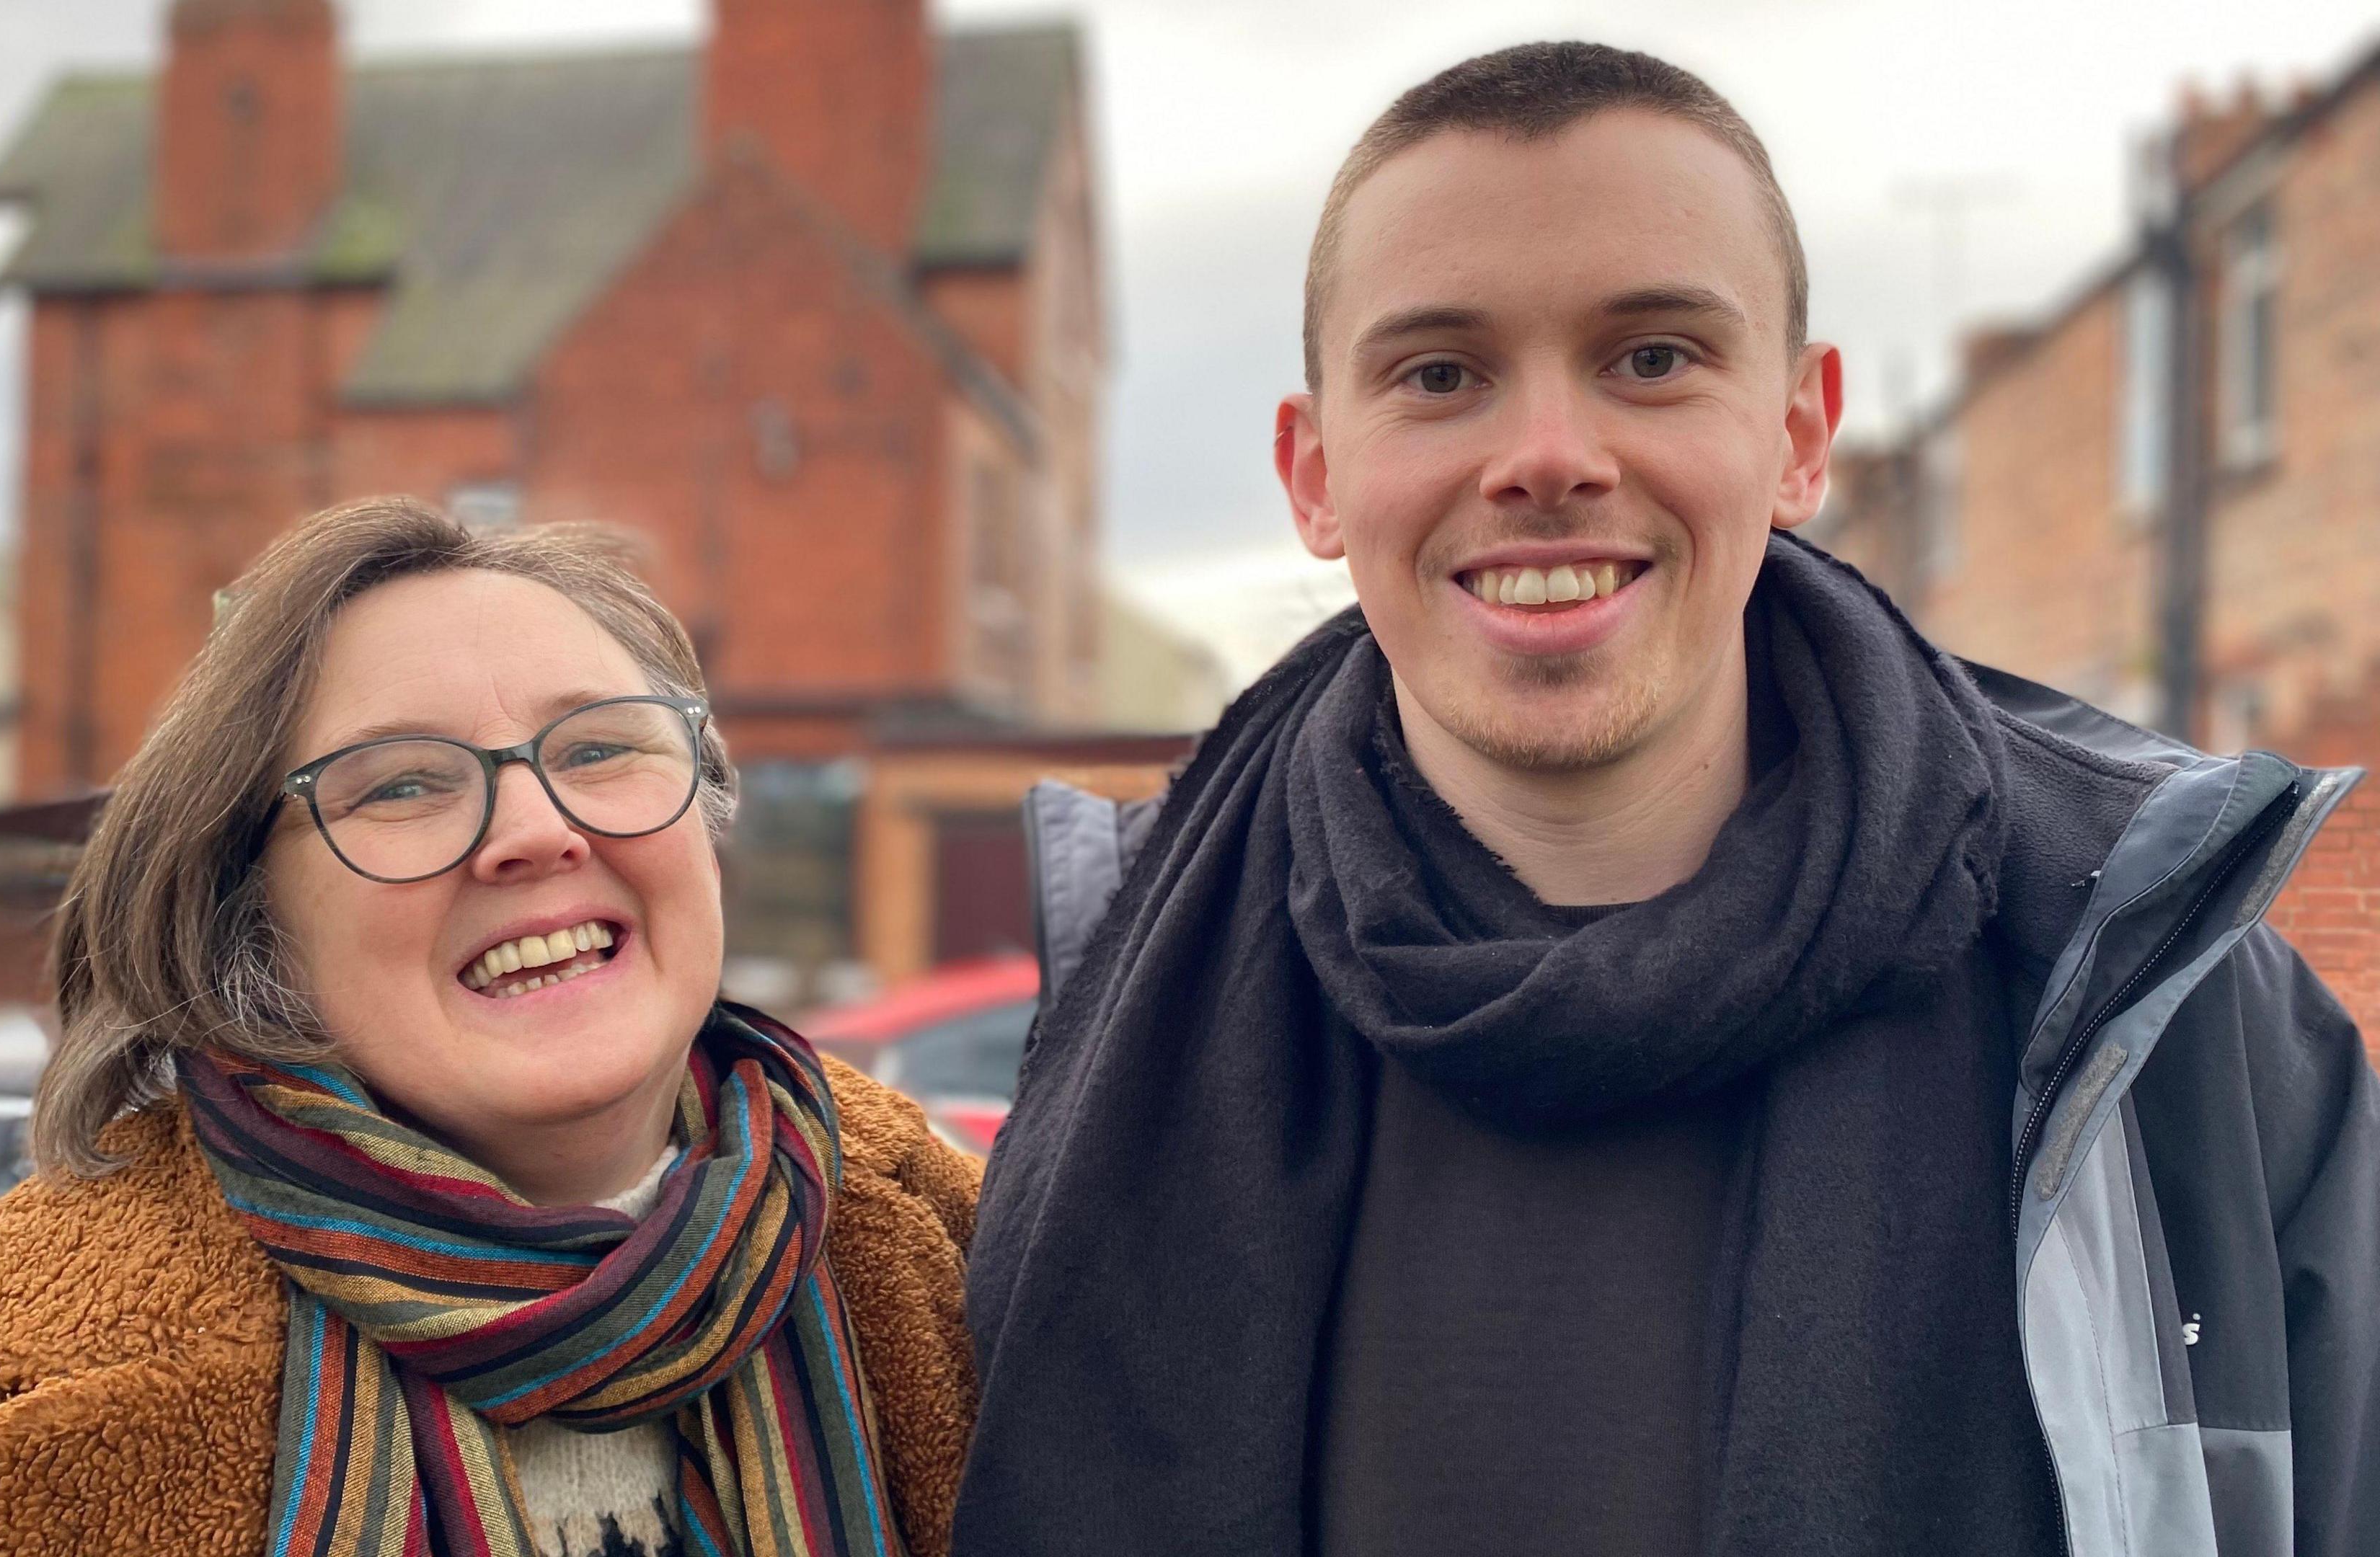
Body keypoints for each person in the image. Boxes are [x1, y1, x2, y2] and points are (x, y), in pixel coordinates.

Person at [960, 42, 2379, 1557]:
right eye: (1440, 374)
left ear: (1800, 432)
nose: (1550, 459)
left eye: (1653, 357)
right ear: (1315, 474)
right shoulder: (1124, 998)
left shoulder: (2181, 1032)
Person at [0, 500, 981, 1557]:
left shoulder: (970, 1259)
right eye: (406, 783)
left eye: (599, 748)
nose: (539, 830)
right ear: (251, 917)